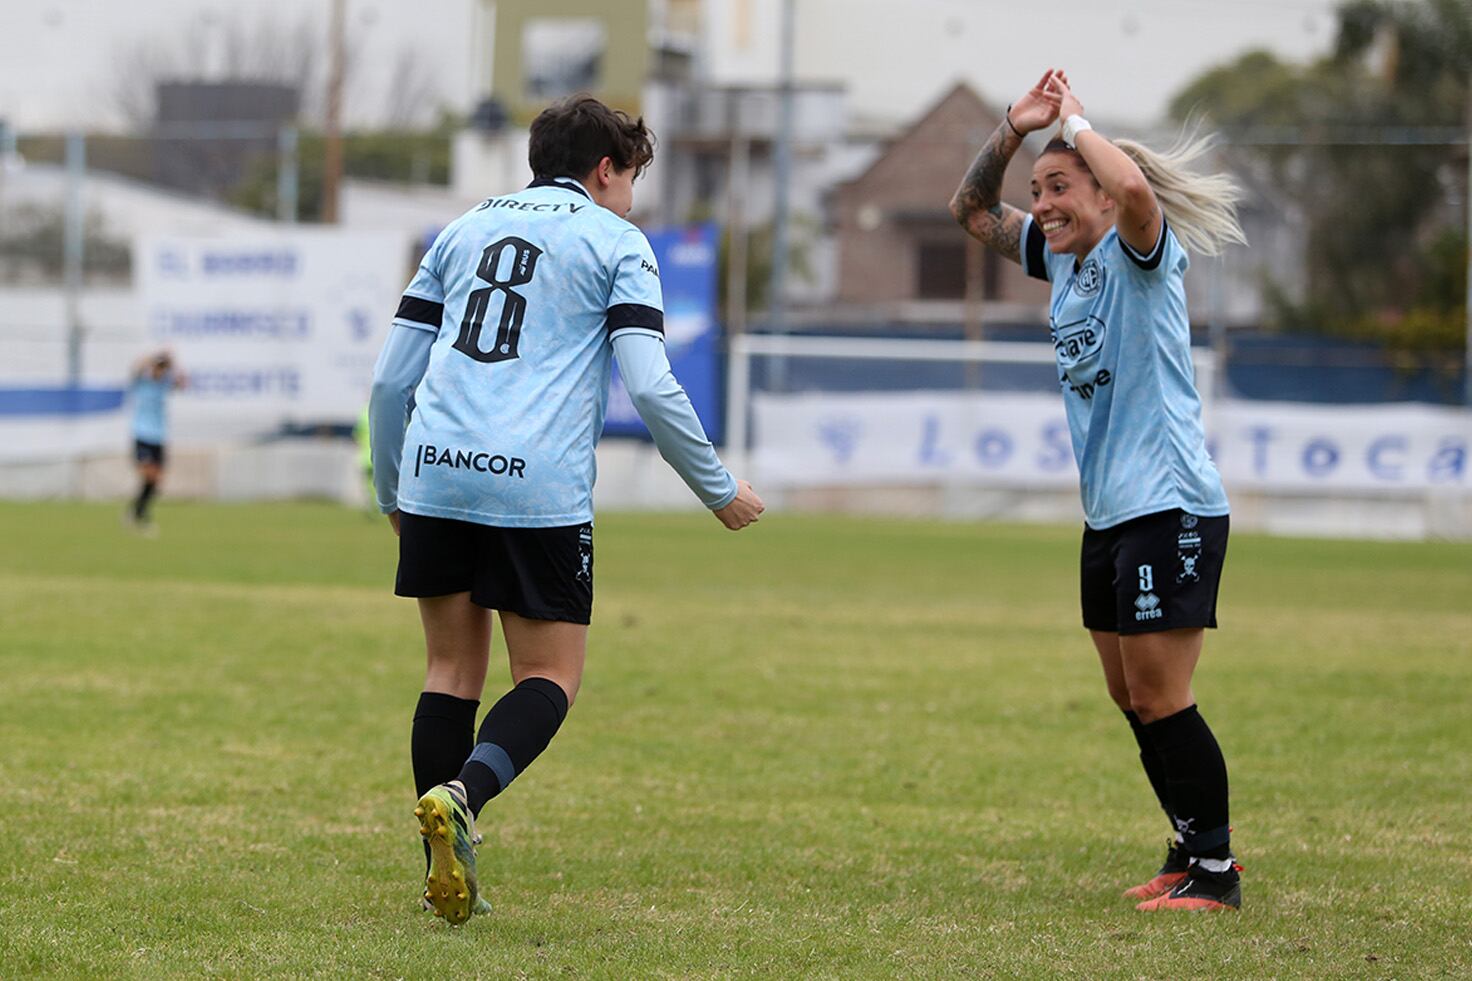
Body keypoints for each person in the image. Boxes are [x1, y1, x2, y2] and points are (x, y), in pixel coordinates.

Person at [369, 94, 765, 924]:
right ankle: (462, 799)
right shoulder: (617, 240)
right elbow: (651, 383)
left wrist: (392, 490)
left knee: (449, 673)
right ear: (606, 169)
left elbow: (389, 381)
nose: (632, 198)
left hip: (435, 472)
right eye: (631, 179)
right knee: (551, 675)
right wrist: (718, 488)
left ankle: (442, 863)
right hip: (534, 486)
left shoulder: (464, 227)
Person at [949, 70, 1247, 911]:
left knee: (1162, 694)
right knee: (1130, 695)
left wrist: (1074, 120)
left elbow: (1130, 185)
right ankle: (1191, 848)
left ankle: (1216, 873)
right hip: (1110, 515)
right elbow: (970, 212)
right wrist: (1014, 129)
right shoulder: (1066, 263)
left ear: (1105, 199)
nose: (1042, 205)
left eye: (1059, 189)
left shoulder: (1139, 249)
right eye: (1038, 192)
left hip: (1171, 504)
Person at [126, 350, 185, 534]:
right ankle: (139, 514)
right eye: (158, 367)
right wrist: (153, 357)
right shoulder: (142, 383)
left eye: (162, 368)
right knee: (150, 475)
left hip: (159, 437)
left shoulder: (164, 384)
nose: (160, 370)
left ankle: (136, 512)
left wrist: (173, 364)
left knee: (156, 481)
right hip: (142, 434)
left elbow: (182, 383)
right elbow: (135, 368)